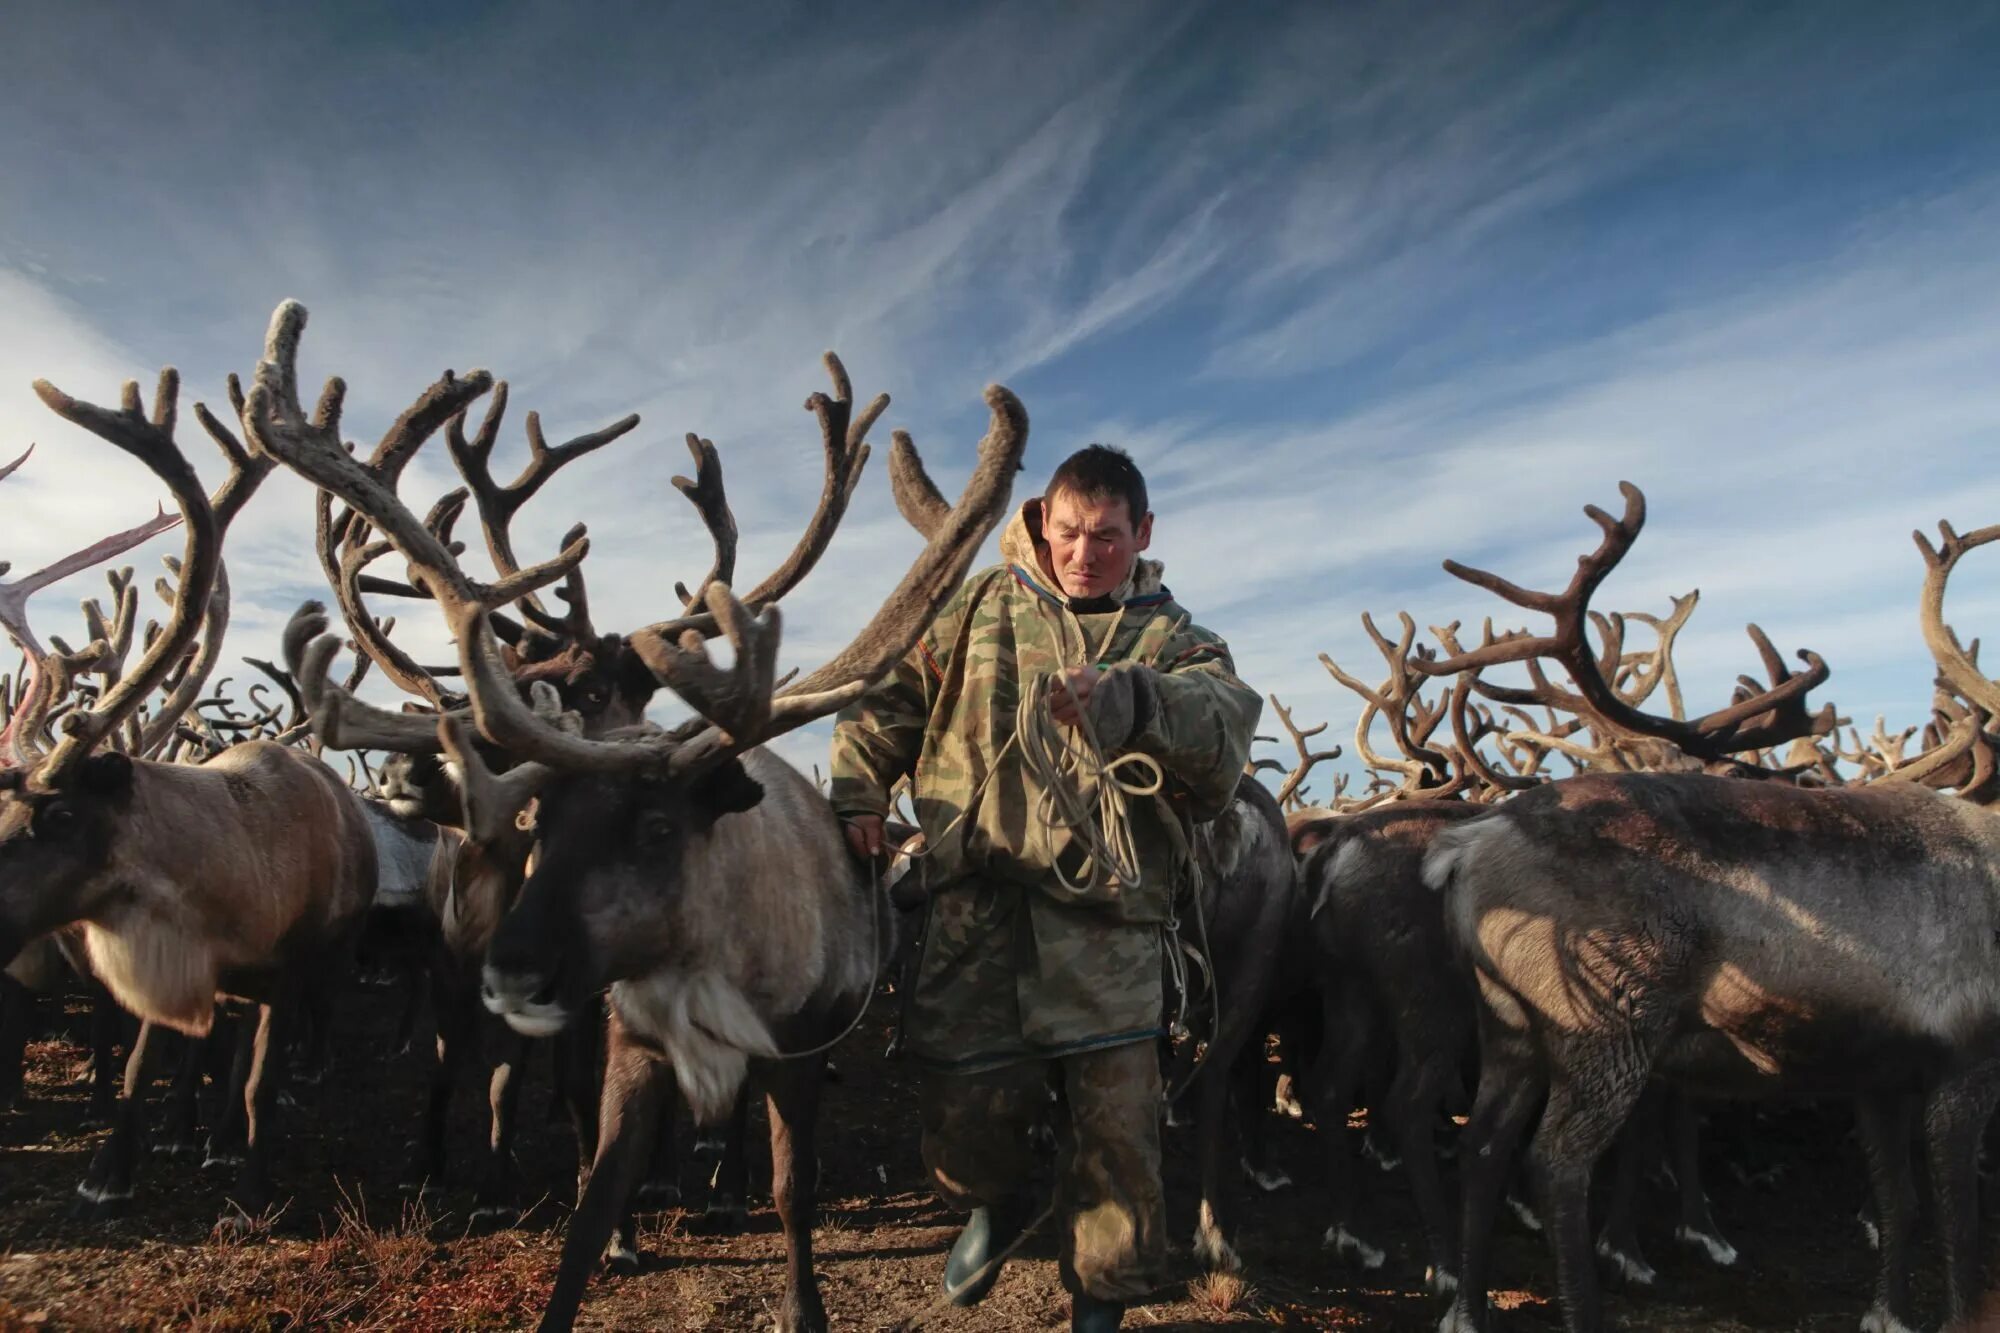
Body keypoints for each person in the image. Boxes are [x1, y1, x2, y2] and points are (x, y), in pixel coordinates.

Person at [830, 444, 1261, 1332]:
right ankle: (996, 1196)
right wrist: (858, 791)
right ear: (1040, 523)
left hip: (1109, 928)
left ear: (1143, 534)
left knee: (1118, 1136)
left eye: (1107, 536)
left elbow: (1224, 737)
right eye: (1068, 532)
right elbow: (888, 700)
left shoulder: (1177, 641)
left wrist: (1132, 701)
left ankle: (1100, 1302)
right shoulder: (977, 606)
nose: (1084, 553)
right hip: (974, 913)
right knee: (962, 1114)